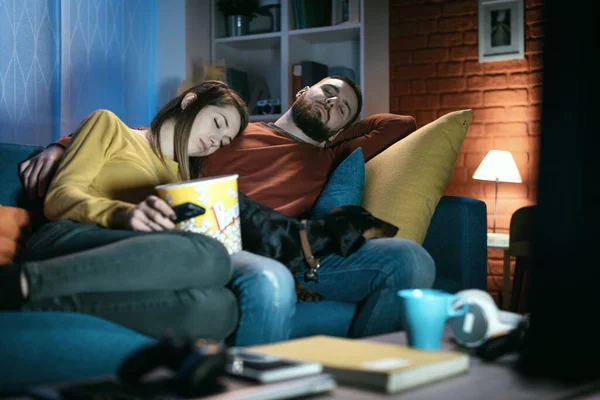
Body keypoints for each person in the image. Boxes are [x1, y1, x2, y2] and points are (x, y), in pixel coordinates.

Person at [20, 75, 436, 344]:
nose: (332, 104)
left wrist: (336, 128)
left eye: (342, 109)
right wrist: (61, 146)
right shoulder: (232, 134)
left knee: (410, 260)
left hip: (299, 252)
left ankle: (364, 384)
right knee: (251, 275)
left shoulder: (332, 154)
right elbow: (143, 137)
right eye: (327, 92)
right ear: (301, 91)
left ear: (342, 129)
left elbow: (400, 125)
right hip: (228, 245)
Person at [0, 81, 248, 342]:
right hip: (69, 235)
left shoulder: (184, 181)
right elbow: (58, 199)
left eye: (223, 141)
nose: (214, 141)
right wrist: (124, 214)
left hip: (134, 260)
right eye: (217, 124)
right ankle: (21, 280)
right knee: (211, 256)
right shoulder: (109, 126)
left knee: (220, 310)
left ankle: (25, 301)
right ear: (189, 102)